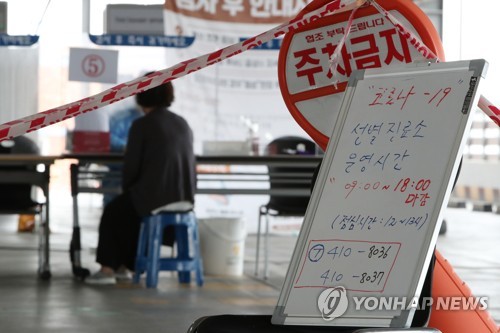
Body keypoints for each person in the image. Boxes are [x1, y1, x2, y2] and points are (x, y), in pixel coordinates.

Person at [86, 77, 197, 285]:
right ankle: (125, 266)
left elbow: (131, 168)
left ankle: (107, 269)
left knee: (113, 211)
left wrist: (128, 188)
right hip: (185, 199)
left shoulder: (142, 125)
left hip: (156, 198)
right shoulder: (182, 122)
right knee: (130, 210)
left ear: (141, 95)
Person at [102, 106, 143, 206]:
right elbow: (108, 137)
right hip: (120, 170)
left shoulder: (153, 120)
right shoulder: (122, 118)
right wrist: (124, 147)